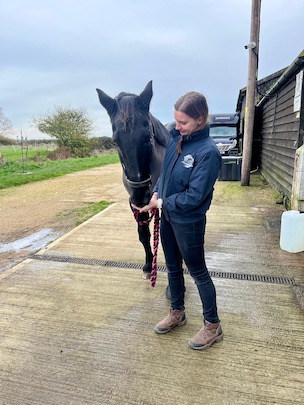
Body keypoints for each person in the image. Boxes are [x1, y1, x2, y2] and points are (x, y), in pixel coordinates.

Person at [134, 91, 223, 350]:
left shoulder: (208, 153)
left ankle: (213, 325)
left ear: (199, 119)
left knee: (198, 272)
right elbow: (164, 175)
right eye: (176, 121)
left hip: (189, 221)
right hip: (169, 218)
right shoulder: (176, 138)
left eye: (183, 122)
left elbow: (195, 196)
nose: (178, 126)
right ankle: (177, 312)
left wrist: (160, 203)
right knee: (172, 267)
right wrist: (155, 194)